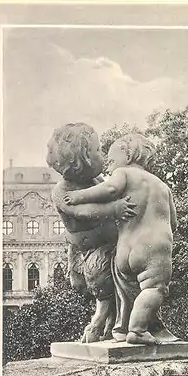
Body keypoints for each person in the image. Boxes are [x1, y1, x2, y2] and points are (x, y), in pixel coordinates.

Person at [63, 133, 178, 345]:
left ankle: (121, 328)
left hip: (124, 250)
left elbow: (109, 189)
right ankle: (137, 330)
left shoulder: (122, 174)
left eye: (112, 159)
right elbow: (174, 223)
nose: (108, 164)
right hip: (153, 248)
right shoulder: (162, 186)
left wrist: (80, 196)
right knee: (154, 288)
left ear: (128, 154)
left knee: (126, 289)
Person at [46, 123, 136, 343]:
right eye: (97, 150)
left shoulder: (98, 182)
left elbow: (110, 195)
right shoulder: (61, 191)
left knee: (102, 282)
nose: (102, 154)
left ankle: (100, 321)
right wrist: (114, 209)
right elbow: (82, 211)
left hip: (103, 247)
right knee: (81, 284)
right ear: (80, 162)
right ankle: (109, 322)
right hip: (79, 248)